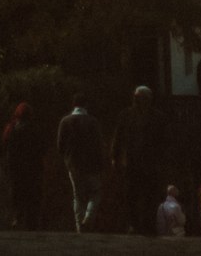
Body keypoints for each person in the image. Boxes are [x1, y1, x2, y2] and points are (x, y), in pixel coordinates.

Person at [111, 84, 169, 236]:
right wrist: (115, 156)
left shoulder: (130, 115)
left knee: (141, 195)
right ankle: (139, 224)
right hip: (139, 163)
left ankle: (140, 224)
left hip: (141, 163)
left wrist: (115, 157)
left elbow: (118, 138)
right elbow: (118, 138)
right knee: (136, 195)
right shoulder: (156, 116)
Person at [57, 95, 106, 233]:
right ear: (86, 105)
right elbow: (99, 145)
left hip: (73, 164)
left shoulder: (65, 121)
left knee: (77, 195)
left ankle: (79, 226)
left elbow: (60, 145)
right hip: (92, 165)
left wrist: (67, 158)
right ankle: (88, 218)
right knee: (95, 193)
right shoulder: (93, 122)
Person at [3, 101, 43, 230]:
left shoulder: (11, 129)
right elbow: (41, 148)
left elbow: (6, 146)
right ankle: (31, 223)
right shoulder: (35, 129)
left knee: (17, 194)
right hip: (32, 167)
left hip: (15, 167)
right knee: (32, 195)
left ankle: (17, 218)